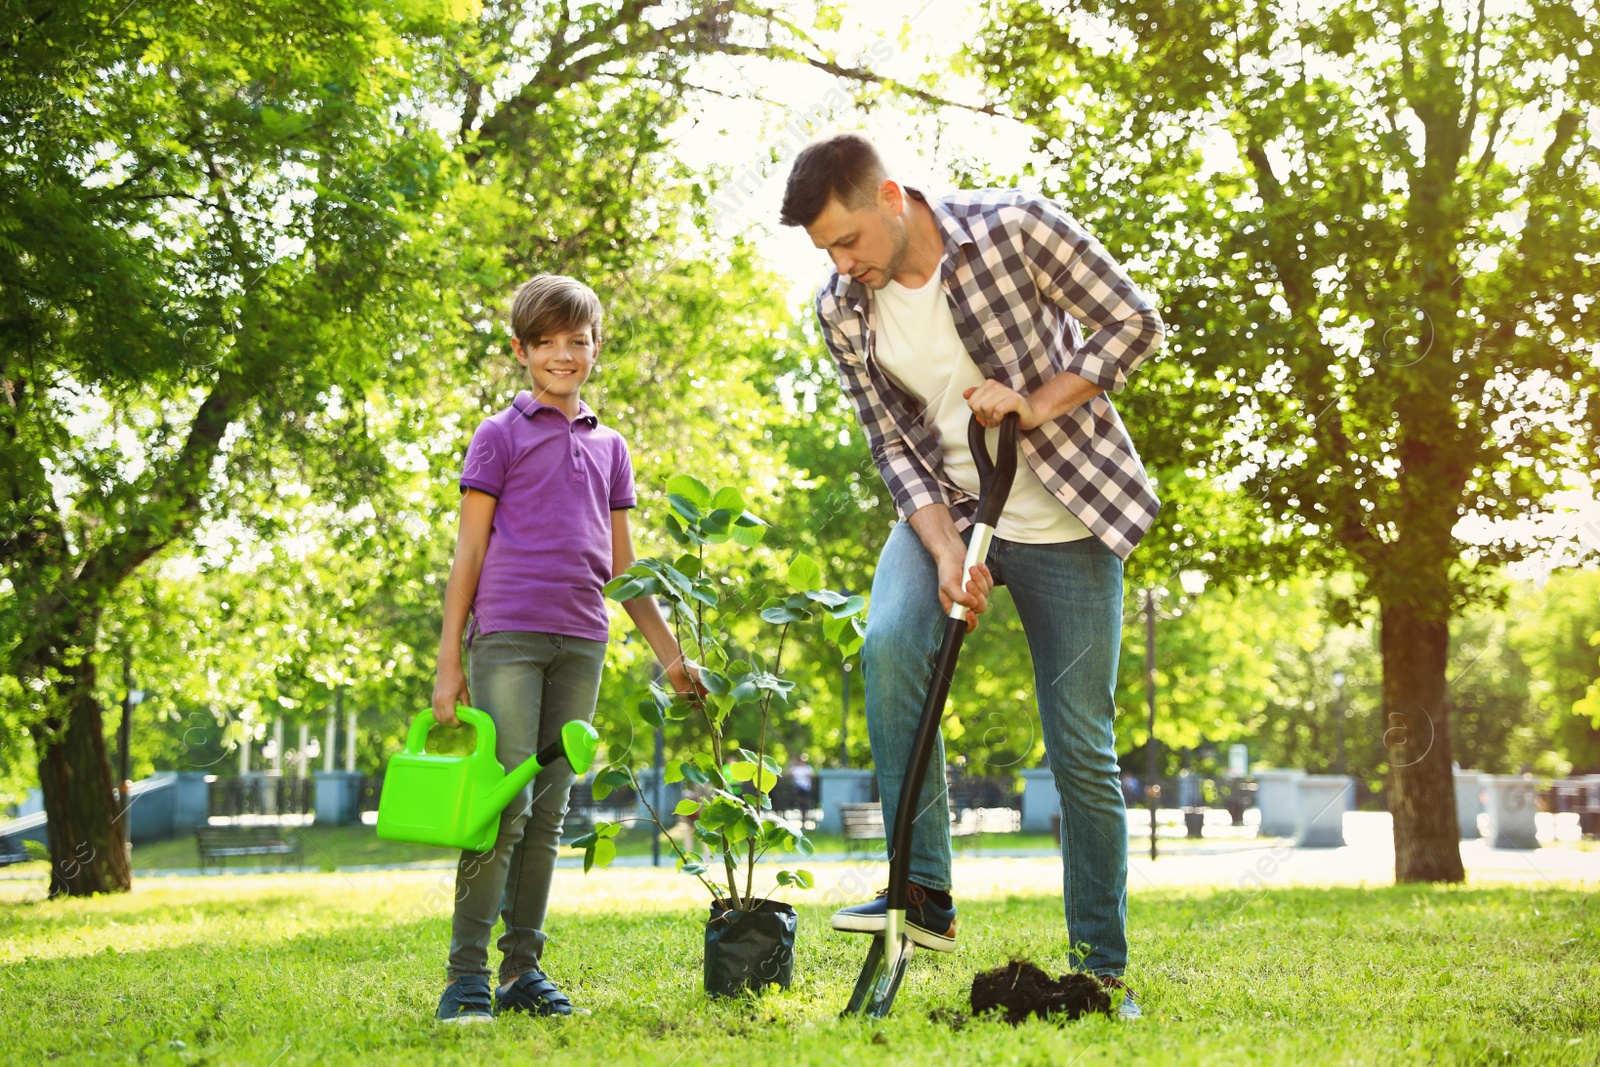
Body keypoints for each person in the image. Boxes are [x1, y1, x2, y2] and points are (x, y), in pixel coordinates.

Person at [779, 134, 1165, 1019]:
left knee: (1080, 745)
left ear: (890, 196)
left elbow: (1135, 324)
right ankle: (923, 892)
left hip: (1069, 520)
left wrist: (1036, 401)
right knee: (889, 645)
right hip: (948, 509)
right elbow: (889, 439)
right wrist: (948, 550)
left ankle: (1100, 966)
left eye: (849, 241)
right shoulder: (843, 308)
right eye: (827, 252)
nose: (843, 265)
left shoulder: (1015, 229)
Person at [430, 273, 698, 1023]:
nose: (563, 354)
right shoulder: (499, 435)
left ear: (595, 347)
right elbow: (469, 553)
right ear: (520, 350)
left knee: (549, 810)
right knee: (502, 804)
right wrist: (449, 660)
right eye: (546, 342)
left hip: (582, 639)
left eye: (576, 341)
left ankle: (522, 971)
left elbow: (623, 567)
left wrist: (670, 655)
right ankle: (464, 976)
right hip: (508, 637)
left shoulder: (611, 447)